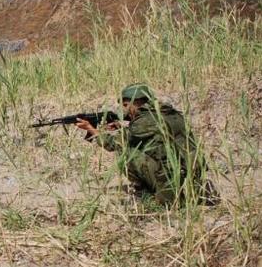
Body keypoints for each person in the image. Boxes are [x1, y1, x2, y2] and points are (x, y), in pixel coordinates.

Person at [75, 83, 217, 205]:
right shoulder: (169, 113)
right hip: (192, 172)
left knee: (126, 150)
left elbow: (112, 144)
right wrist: (123, 126)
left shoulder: (143, 122)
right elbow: (155, 132)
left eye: (125, 105)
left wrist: (90, 129)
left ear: (137, 102)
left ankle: (148, 190)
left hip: (172, 180)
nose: (123, 110)